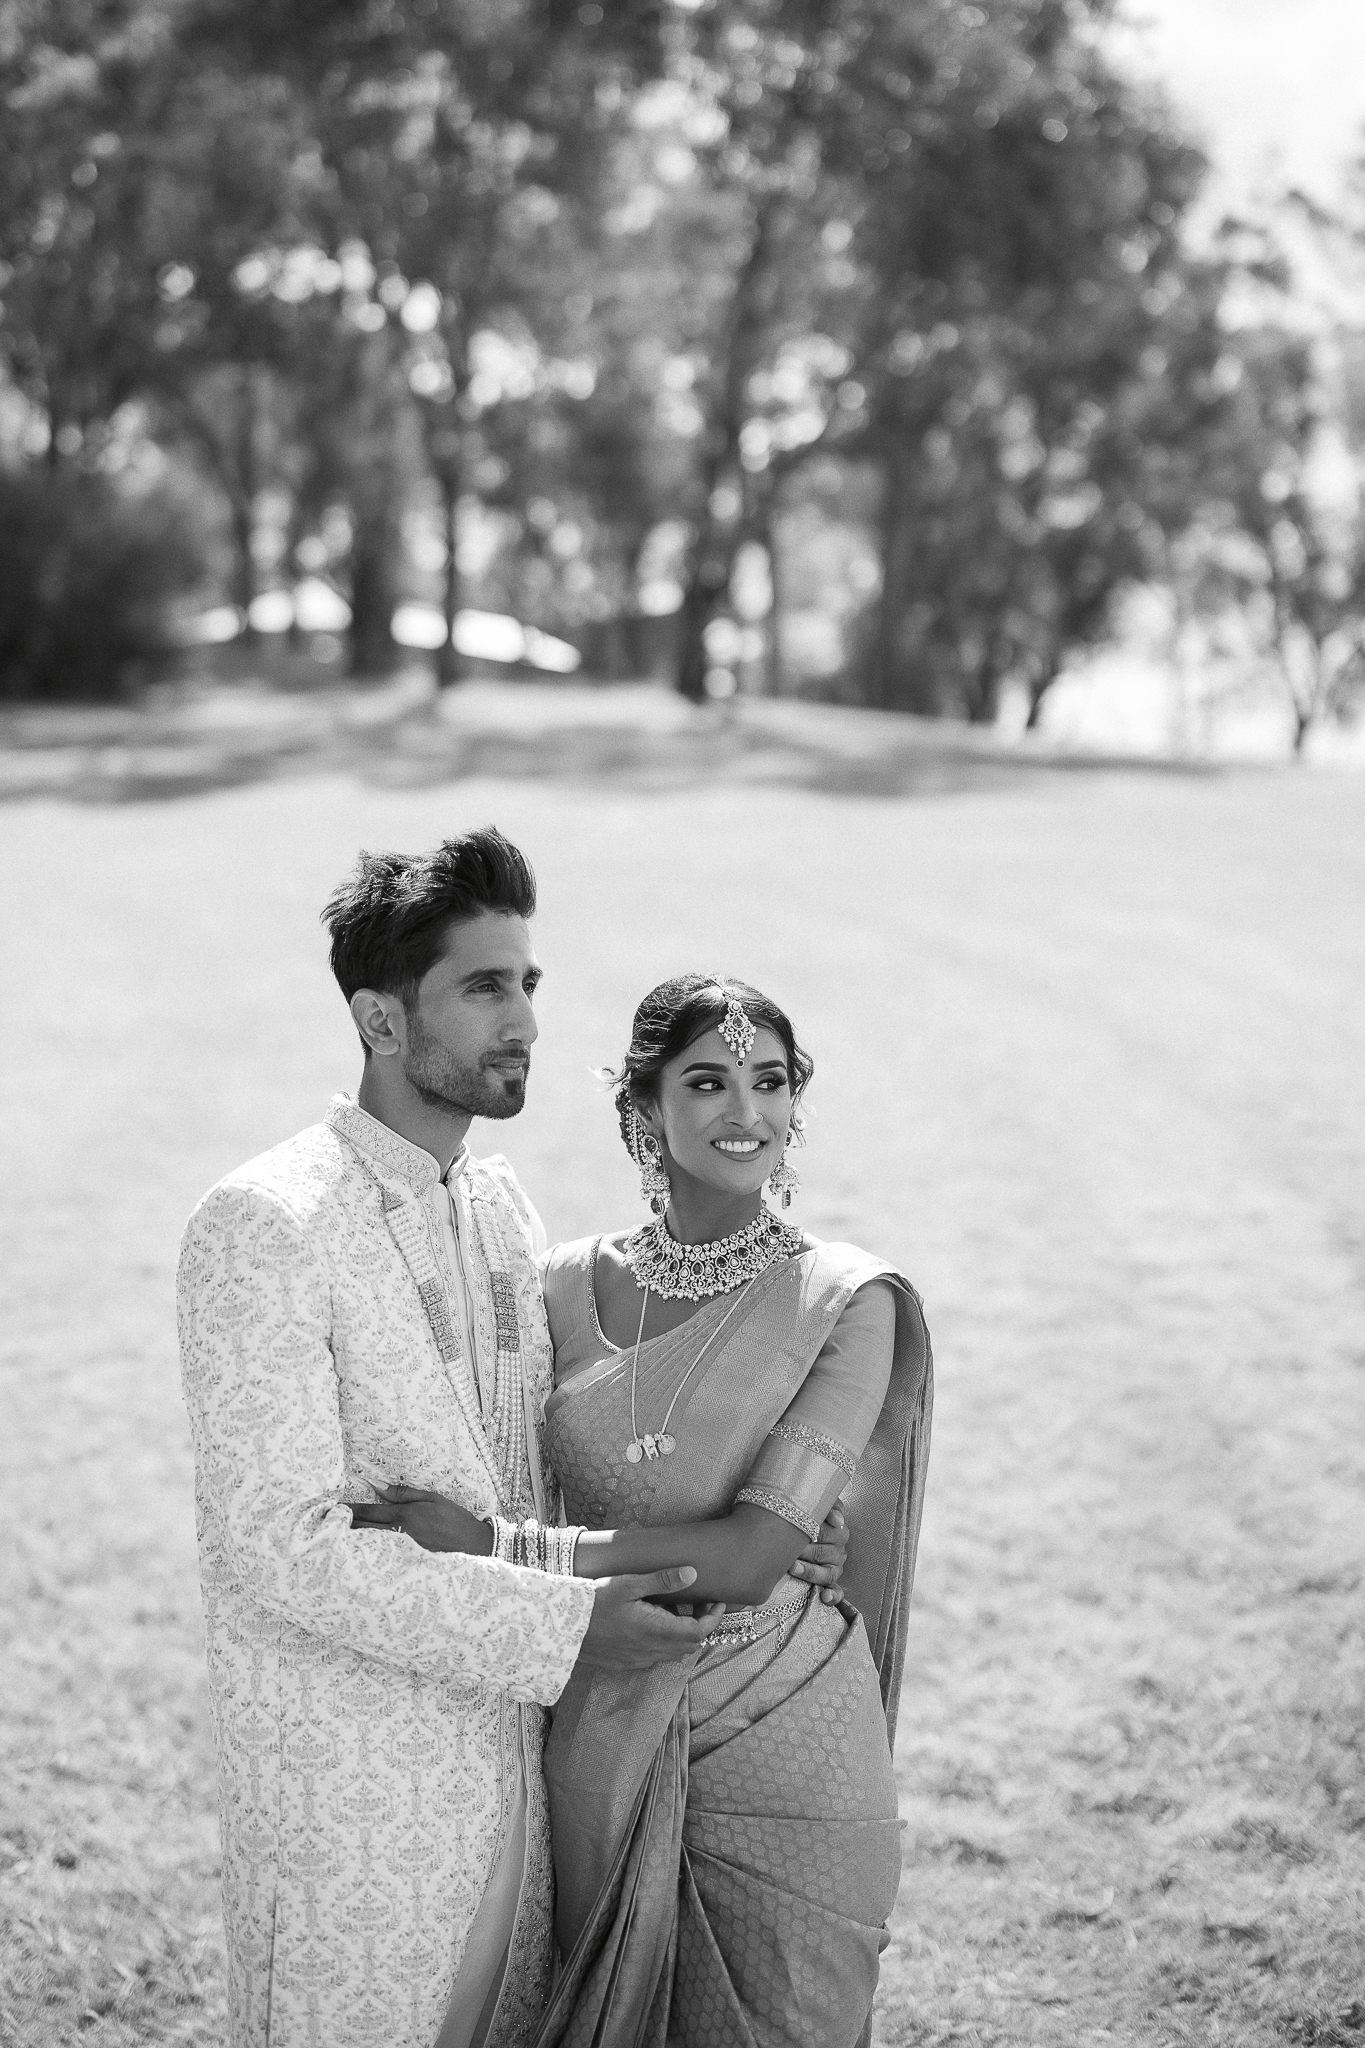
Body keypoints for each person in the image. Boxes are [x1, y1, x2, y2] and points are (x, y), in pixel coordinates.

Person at [176, 831, 846, 2048]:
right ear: (382, 1020)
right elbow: (281, 1547)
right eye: (484, 986)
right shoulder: (264, 1221)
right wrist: (568, 1627)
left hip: (532, 1793)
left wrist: (766, 1518)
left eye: (527, 982)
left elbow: (550, 1461)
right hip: (357, 1804)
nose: (525, 1018)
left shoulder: (498, 1203)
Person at [383, 973, 933, 2048]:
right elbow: (495, 1456)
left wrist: (497, 1548)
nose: (747, 1112)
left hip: (782, 1731)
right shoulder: (559, 1285)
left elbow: (754, 1554)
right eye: (709, 1081)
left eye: (769, 1081)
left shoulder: (842, 1300)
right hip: (603, 1713)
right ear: (644, 1105)